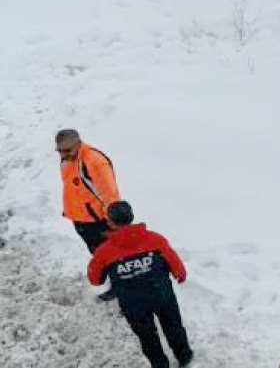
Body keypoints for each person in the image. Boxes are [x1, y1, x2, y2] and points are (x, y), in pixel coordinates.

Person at [88, 201, 194, 367]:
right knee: (174, 327)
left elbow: (95, 279)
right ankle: (184, 356)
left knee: (147, 337)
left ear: (110, 222)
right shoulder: (155, 239)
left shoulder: (104, 252)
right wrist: (179, 275)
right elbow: (177, 266)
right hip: (162, 295)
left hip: (133, 304)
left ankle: (160, 364)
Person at [57, 128, 121, 299]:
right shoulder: (67, 160)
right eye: (59, 150)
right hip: (82, 220)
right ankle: (115, 280)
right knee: (99, 254)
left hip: (99, 221)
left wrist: (113, 220)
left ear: (78, 143)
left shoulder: (94, 161)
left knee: (111, 256)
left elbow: (110, 194)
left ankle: (121, 287)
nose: (63, 154)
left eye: (67, 150)